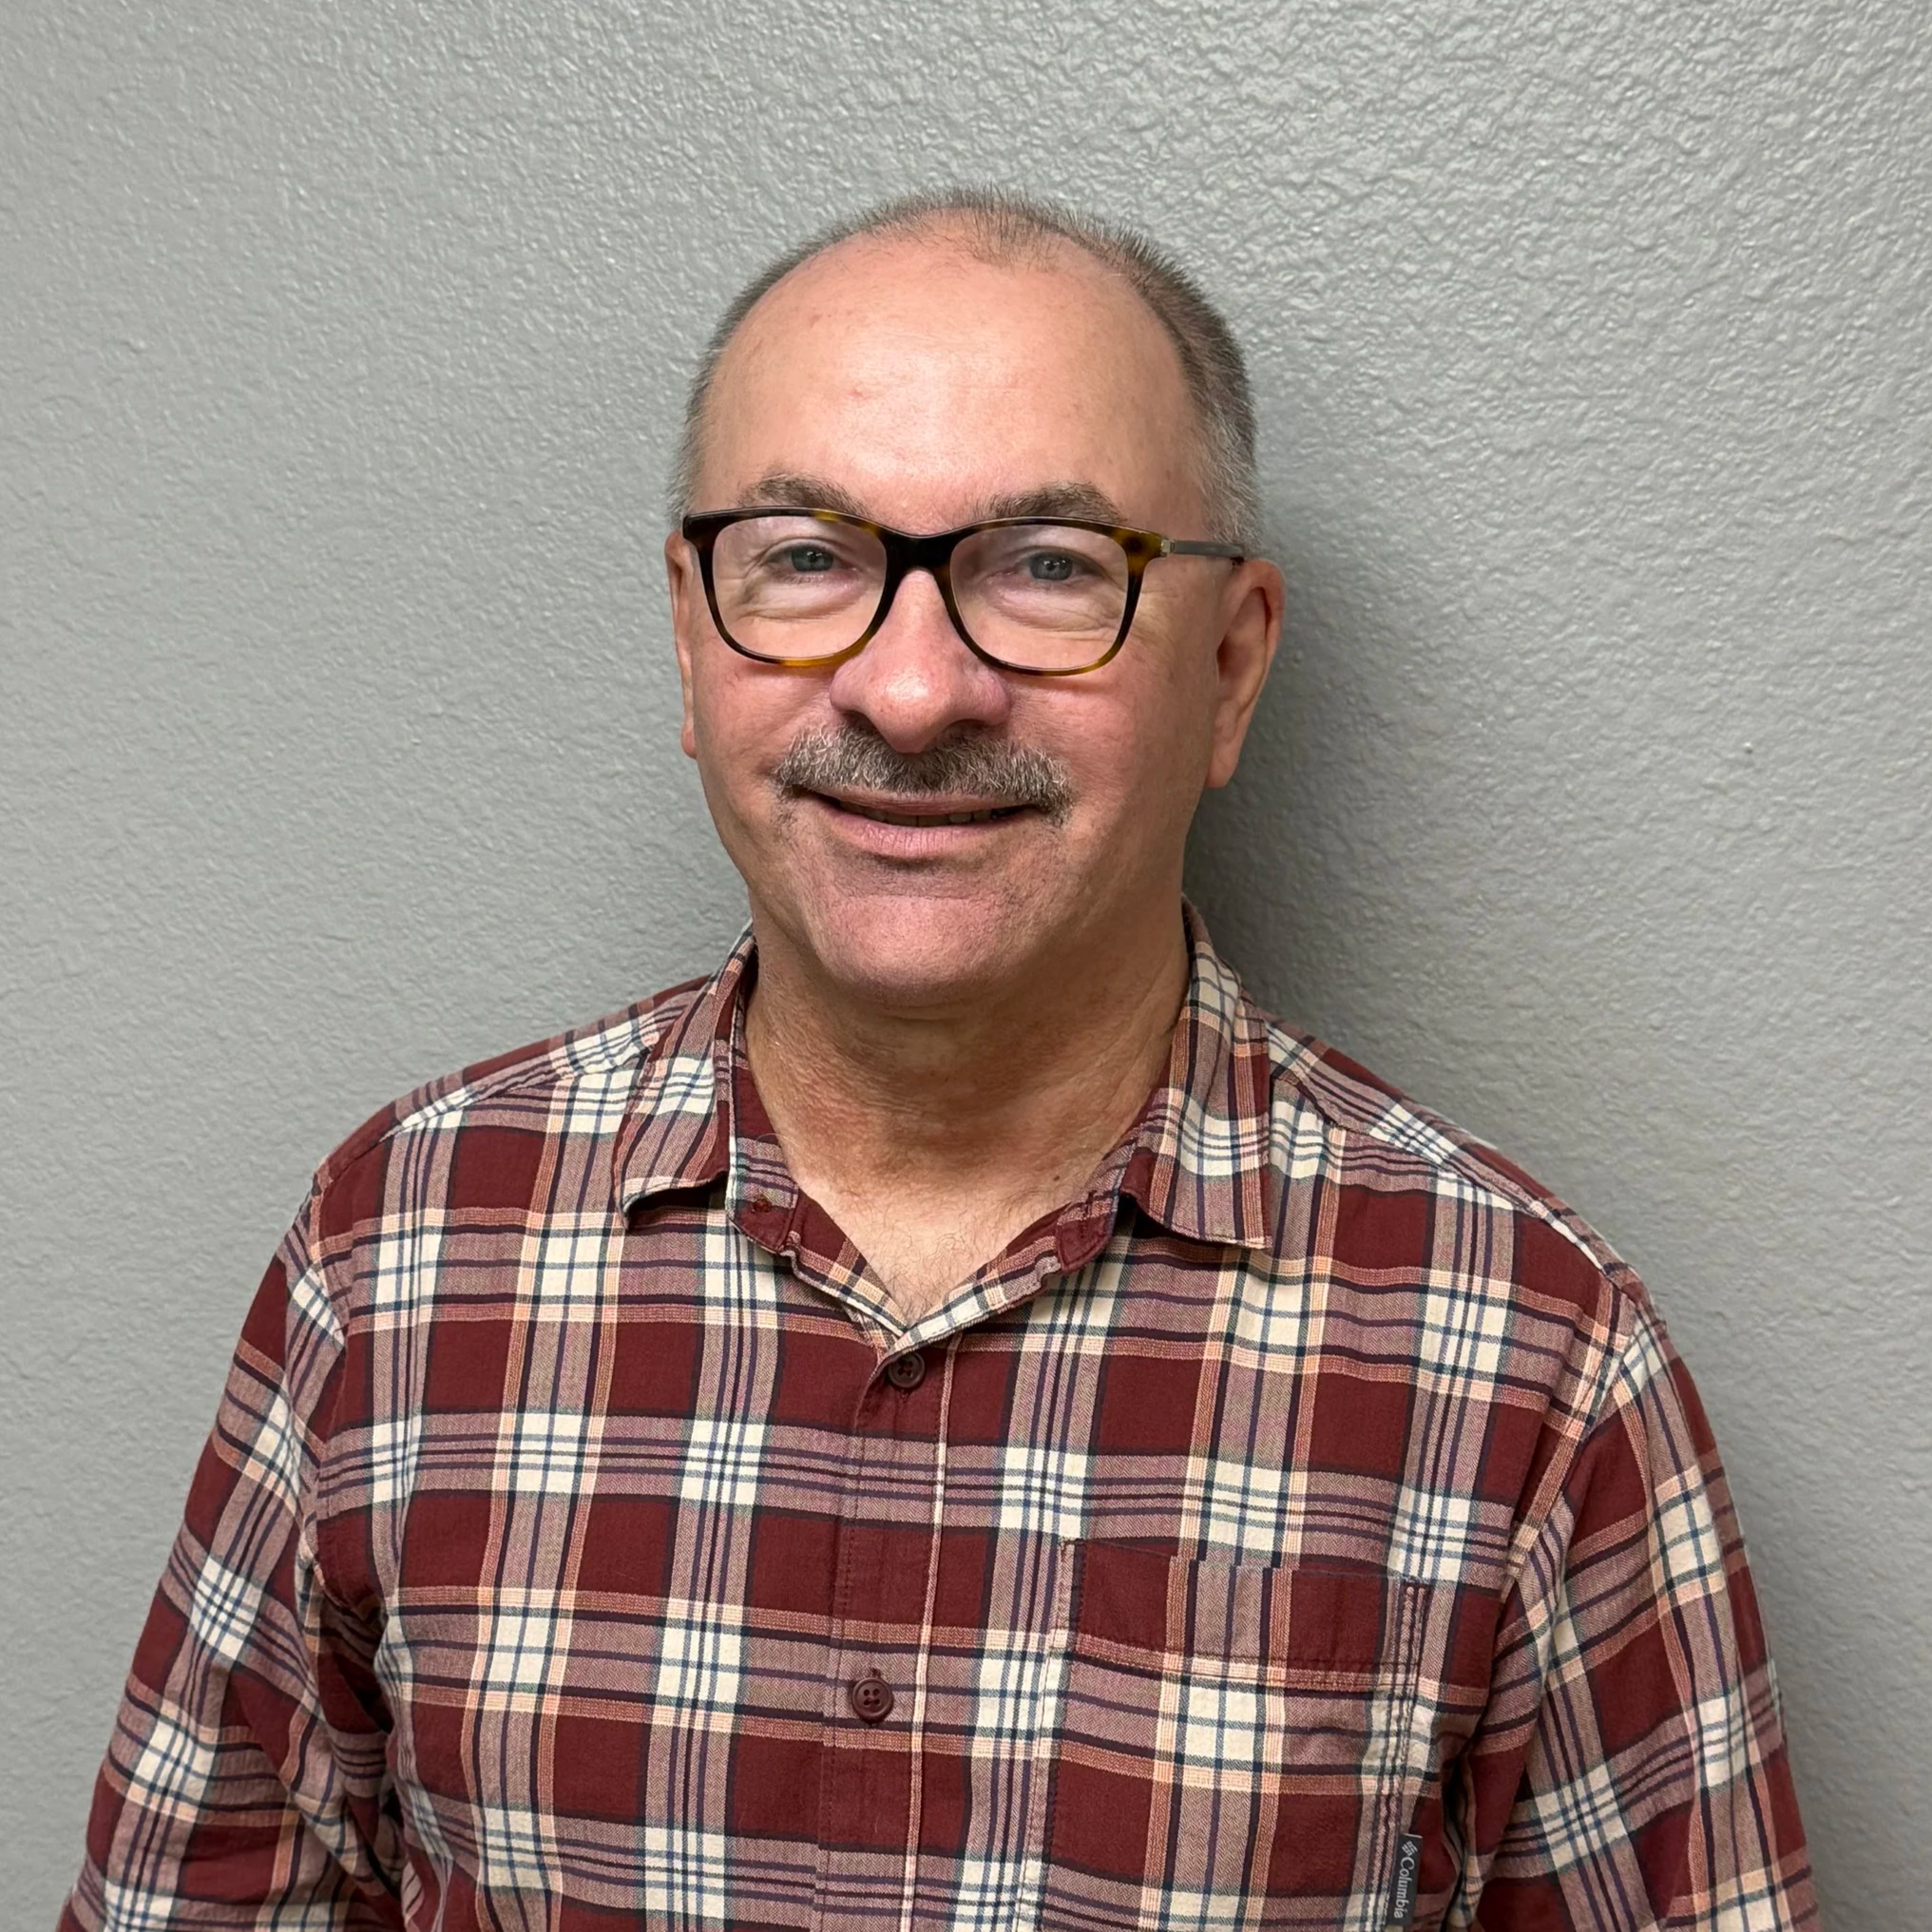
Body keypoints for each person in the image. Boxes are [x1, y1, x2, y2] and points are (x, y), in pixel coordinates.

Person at [61, 189, 1817, 1931]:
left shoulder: (1527, 1358)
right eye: (809, 561)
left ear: (1230, 664)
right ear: (691, 634)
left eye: (1050, 569)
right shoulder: (402, 1255)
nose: (911, 692)